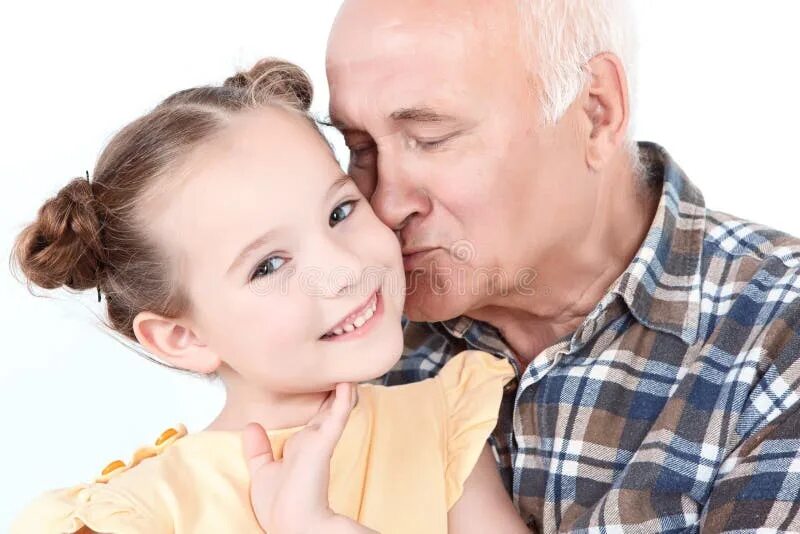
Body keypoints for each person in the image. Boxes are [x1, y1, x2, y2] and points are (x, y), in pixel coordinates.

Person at [324, 0, 800, 531]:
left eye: (432, 138)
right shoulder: (349, 337)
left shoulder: (779, 333)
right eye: (358, 147)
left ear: (596, 112)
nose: (385, 205)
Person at [10, 59, 528, 533]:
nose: (344, 270)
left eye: (340, 212)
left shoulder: (439, 430)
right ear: (180, 336)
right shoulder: (137, 515)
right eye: (270, 265)